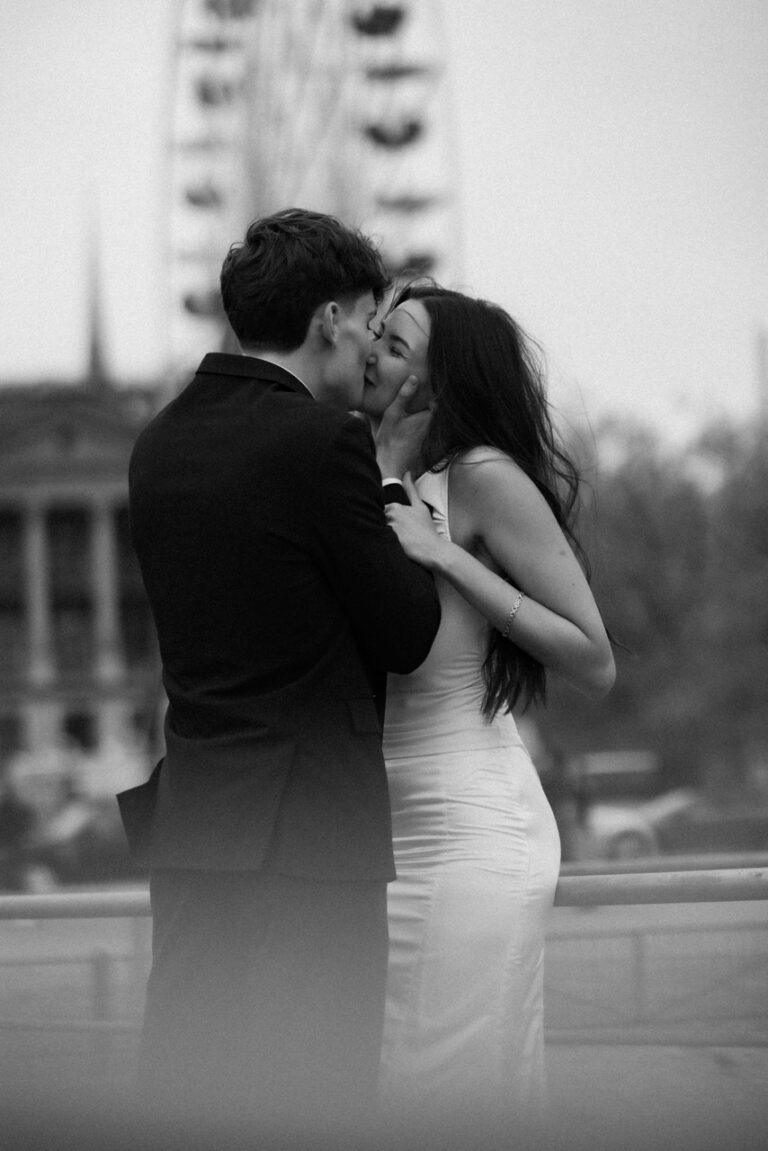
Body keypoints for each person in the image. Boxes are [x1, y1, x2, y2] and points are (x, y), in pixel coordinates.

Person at [117, 209, 441, 1134]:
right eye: (374, 324)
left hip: (194, 833)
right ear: (331, 318)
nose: (373, 347)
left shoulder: (157, 445)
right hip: (311, 843)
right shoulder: (322, 442)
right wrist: (388, 478)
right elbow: (408, 630)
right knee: (320, 1101)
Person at [359, 284, 615, 1125]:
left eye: (394, 345)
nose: (371, 352)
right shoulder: (354, 472)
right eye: (375, 334)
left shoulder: (481, 477)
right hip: (377, 837)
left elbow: (594, 656)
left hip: (472, 830)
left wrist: (449, 556)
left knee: (445, 1098)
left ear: (437, 383)